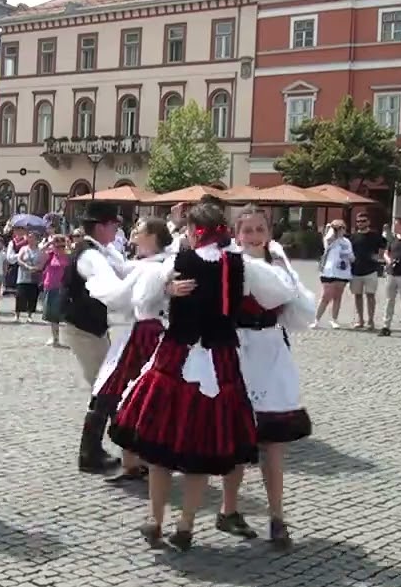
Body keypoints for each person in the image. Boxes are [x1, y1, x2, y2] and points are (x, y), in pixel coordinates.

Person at [110, 197, 297, 551]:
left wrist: (168, 292)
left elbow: (143, 303)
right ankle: (186, 525)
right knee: (201, 443)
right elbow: (281, 294)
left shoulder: (175, 262)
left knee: (160, 441)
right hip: (220, 360)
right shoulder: (239, 264)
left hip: (176, 357)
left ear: (193, 232)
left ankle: (155, 518)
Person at [219, 207, 316, 548]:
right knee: (239, 442)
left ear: (269, 233)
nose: (255, 236)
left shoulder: (279, 264)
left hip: (273, 353)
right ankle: (228, 509)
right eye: (248, 230)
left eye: (260, 229)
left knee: (274, 444)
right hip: (240, 352)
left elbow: (297, 308)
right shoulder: (229, 264)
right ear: (237, 234)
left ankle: (277, 517)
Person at [85, 217, 174, 485]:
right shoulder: (149, 264)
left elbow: (136, 297)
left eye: (140, 229)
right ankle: (134, 462)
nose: (134, 233)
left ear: (153, 236)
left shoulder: (157, 267)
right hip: (141, 332)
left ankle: (139, 461)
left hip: (147, 335)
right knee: (124, 395)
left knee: (130, 394)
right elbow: (124, 268)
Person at [61, 200, 127, 474]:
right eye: (114, 225)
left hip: (92, 328)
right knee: (104, 388)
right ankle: (90, 453)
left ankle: (100, 449)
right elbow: (111, 288)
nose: (116, 230)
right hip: (84, 329)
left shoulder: (103, 251)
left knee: (106, 387)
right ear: (101, 226)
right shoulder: (91, 256)